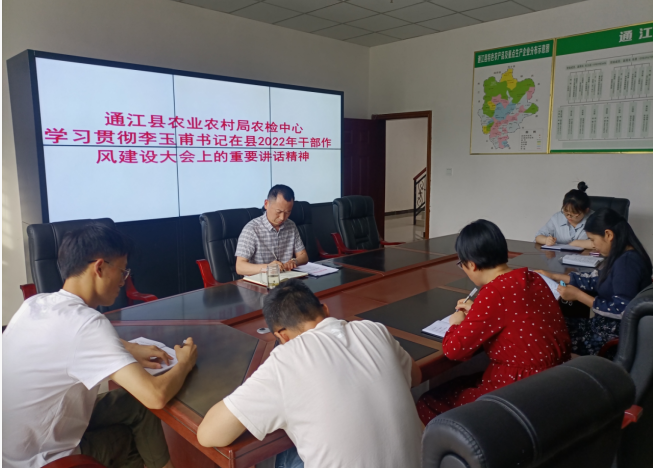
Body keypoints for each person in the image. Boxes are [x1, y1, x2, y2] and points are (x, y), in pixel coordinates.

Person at [3, 224, 198, 468]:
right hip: (40, 459)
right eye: (123, 271)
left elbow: (65, 342)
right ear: (99, 267)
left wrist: (127, 348)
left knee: (134, 404)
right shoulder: (87, 323)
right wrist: (185, 363)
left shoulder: (35, 304)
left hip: (11, 447)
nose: (124, 281)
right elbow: (155, 396)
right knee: (129, 436)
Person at [196, 280, 423, 468]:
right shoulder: (373, 329)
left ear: (281, 336)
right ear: (325, 310)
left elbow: (208, 434)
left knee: (281, 455)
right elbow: (416, 376)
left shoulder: (286, 361)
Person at [417, 220, 571, 425]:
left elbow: (453, 350)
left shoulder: (494, 292)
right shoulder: (532, 278)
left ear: (471, 265)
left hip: (519, 393)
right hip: (557, 380)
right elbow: (515, 316)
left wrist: (456, 323)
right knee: (463, 381)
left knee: (427, 402)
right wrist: (478, 311)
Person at [537, 209, 652, 356]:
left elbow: (622, 310)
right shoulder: (622, 255)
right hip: (602, 326)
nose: (592, 245)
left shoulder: (627, 263)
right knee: (549, 322)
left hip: (610, 336)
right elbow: (596, 281)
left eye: (592, 239)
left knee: (545, 330)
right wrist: (554, 276)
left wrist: (579, 296)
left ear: (608, 235)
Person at [235, 185, 308, 276]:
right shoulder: (252, 229)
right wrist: (268, 268)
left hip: (286, 278)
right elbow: (240, 267)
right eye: (278, 211)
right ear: (266, 204)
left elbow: (303, 256)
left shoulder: (291, 225)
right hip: (260, 280)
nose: (282, 217)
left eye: (287, 212)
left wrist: (294, 261)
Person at [535, 181, 594, 249]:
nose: (569, 216)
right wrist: (546, 240)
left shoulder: (595, 219)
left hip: (584, 255)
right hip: (559, 254)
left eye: (574, 213)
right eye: (566, 212)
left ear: (586, 210)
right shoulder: (557, 217)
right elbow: (538, 236)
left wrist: (577, 243)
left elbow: (601, 243)